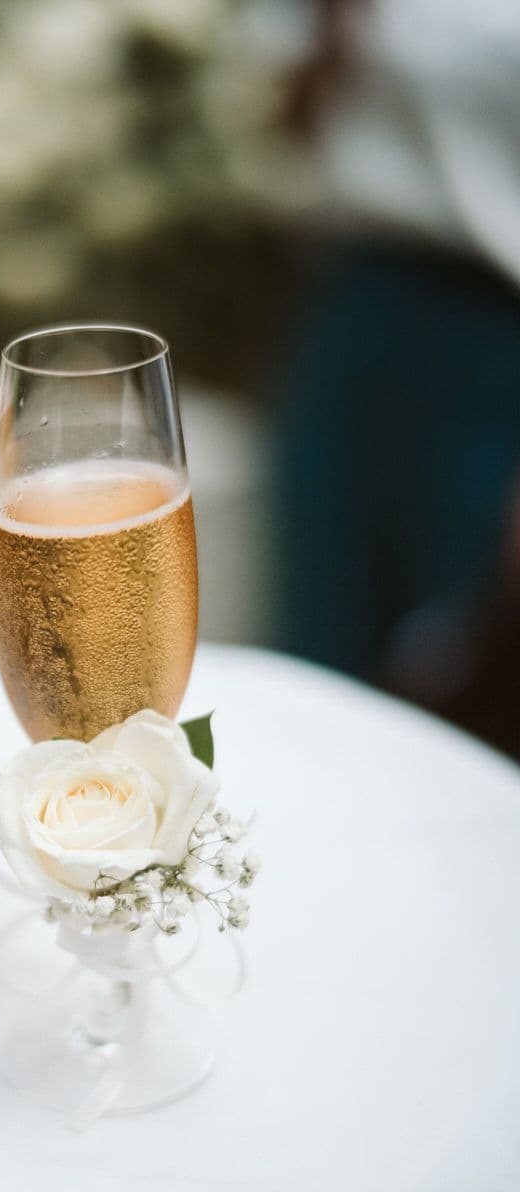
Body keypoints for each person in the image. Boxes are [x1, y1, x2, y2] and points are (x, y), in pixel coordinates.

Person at [270, 0, 520, 756]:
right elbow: (293, 122)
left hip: (493, 333)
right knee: (317, 669)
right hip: (355, 305)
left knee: (460, 683)